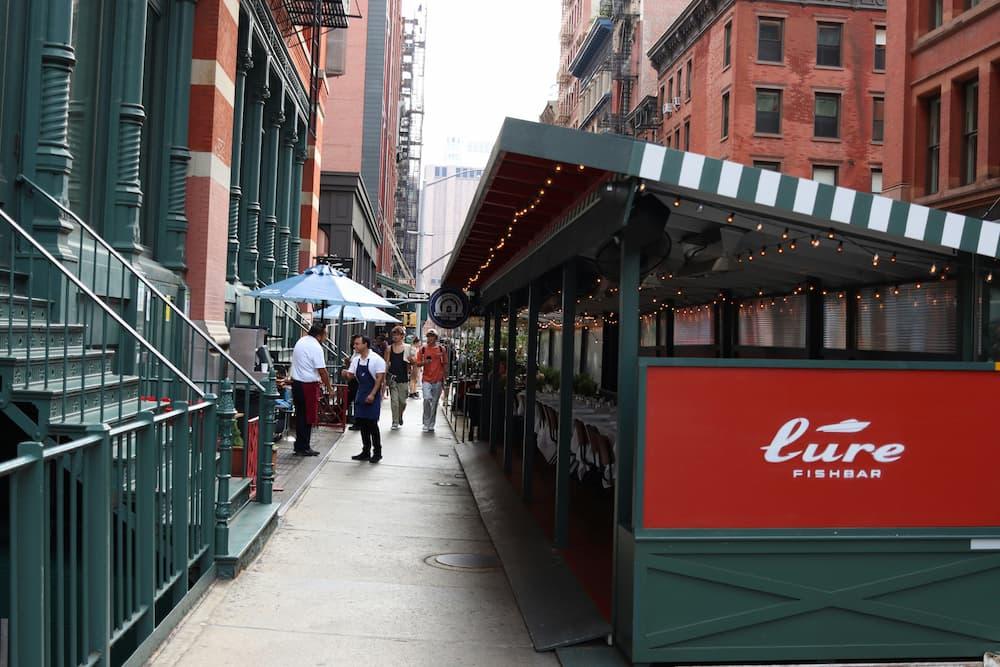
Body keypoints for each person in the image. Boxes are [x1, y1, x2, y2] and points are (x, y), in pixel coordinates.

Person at [290, 323, 333, 456]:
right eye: (325, 334)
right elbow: (322, 370)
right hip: (308, 384)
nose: (326, 337)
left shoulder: (301, 341)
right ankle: (304, 446)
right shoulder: (316, 347)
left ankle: (300, 445)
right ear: (320, 335)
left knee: (300, 415)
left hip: (297, 382)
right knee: (308, 416)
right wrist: (329, 388)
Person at [344, 335, 386, 462]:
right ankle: (365, 450)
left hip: (372, 392)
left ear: (365, 344)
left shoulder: (376, 360)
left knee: (372, 424)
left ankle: (377, 452)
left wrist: (373, 394)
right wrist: (345, 373)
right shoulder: (356, 360)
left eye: (357, 344)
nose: (354, 346)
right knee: (362, 423)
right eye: (354, 344)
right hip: (360, 393)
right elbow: (350, 376)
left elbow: (379, 379)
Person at [415, 329, 448, 432]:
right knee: (426, 399)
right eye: (428, 336)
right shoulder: (423, 349)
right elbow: (418, 363)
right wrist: (425, 362)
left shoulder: (441, 349)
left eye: (432, 336)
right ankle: (425, 423)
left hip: (438, 379)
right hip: (426, 379)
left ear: (436, 338)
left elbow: (445, 364)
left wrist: (445, 378)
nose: (430, 338)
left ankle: (431, 424)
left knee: (434, 402)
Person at [383, 325, 412, 430]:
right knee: (394, 401)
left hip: (403, 378)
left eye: (398, 334)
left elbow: (412, 362)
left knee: (402, 402)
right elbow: (386, 363)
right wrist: (384, 377)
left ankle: (400, 416)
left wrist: (411, 361)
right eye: (394, 334)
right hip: (393, 378)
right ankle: (395, 421)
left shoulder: (408, 348)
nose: (395, 336)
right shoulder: (389, 348)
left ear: (402, 336)